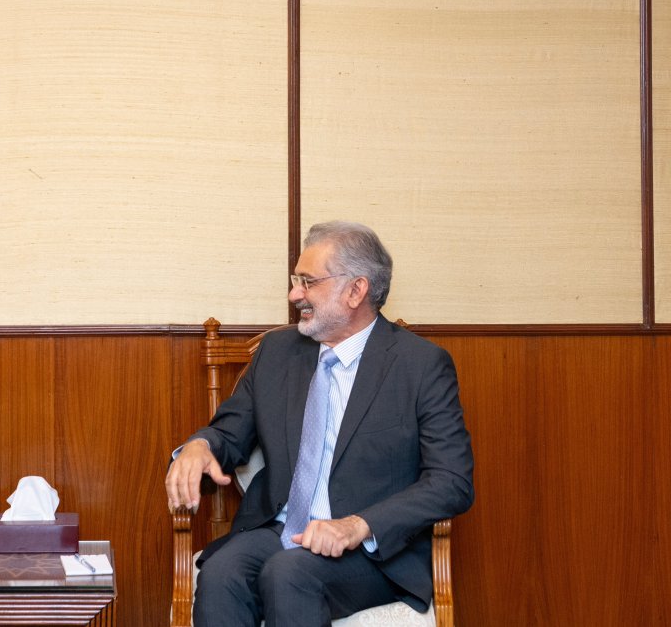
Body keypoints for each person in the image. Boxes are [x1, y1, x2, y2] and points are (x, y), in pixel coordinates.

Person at [165, 221, 473, 627]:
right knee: (222, 571)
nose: (295, 295)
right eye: (297, 281)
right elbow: (229, 431)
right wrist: (199, 446)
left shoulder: (420, 366)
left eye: (307, 282)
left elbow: (452, 481)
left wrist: (358, 525)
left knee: (289, 573)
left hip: (370, 553)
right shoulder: (278, 352)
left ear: (355, 290)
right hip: (279, 528)